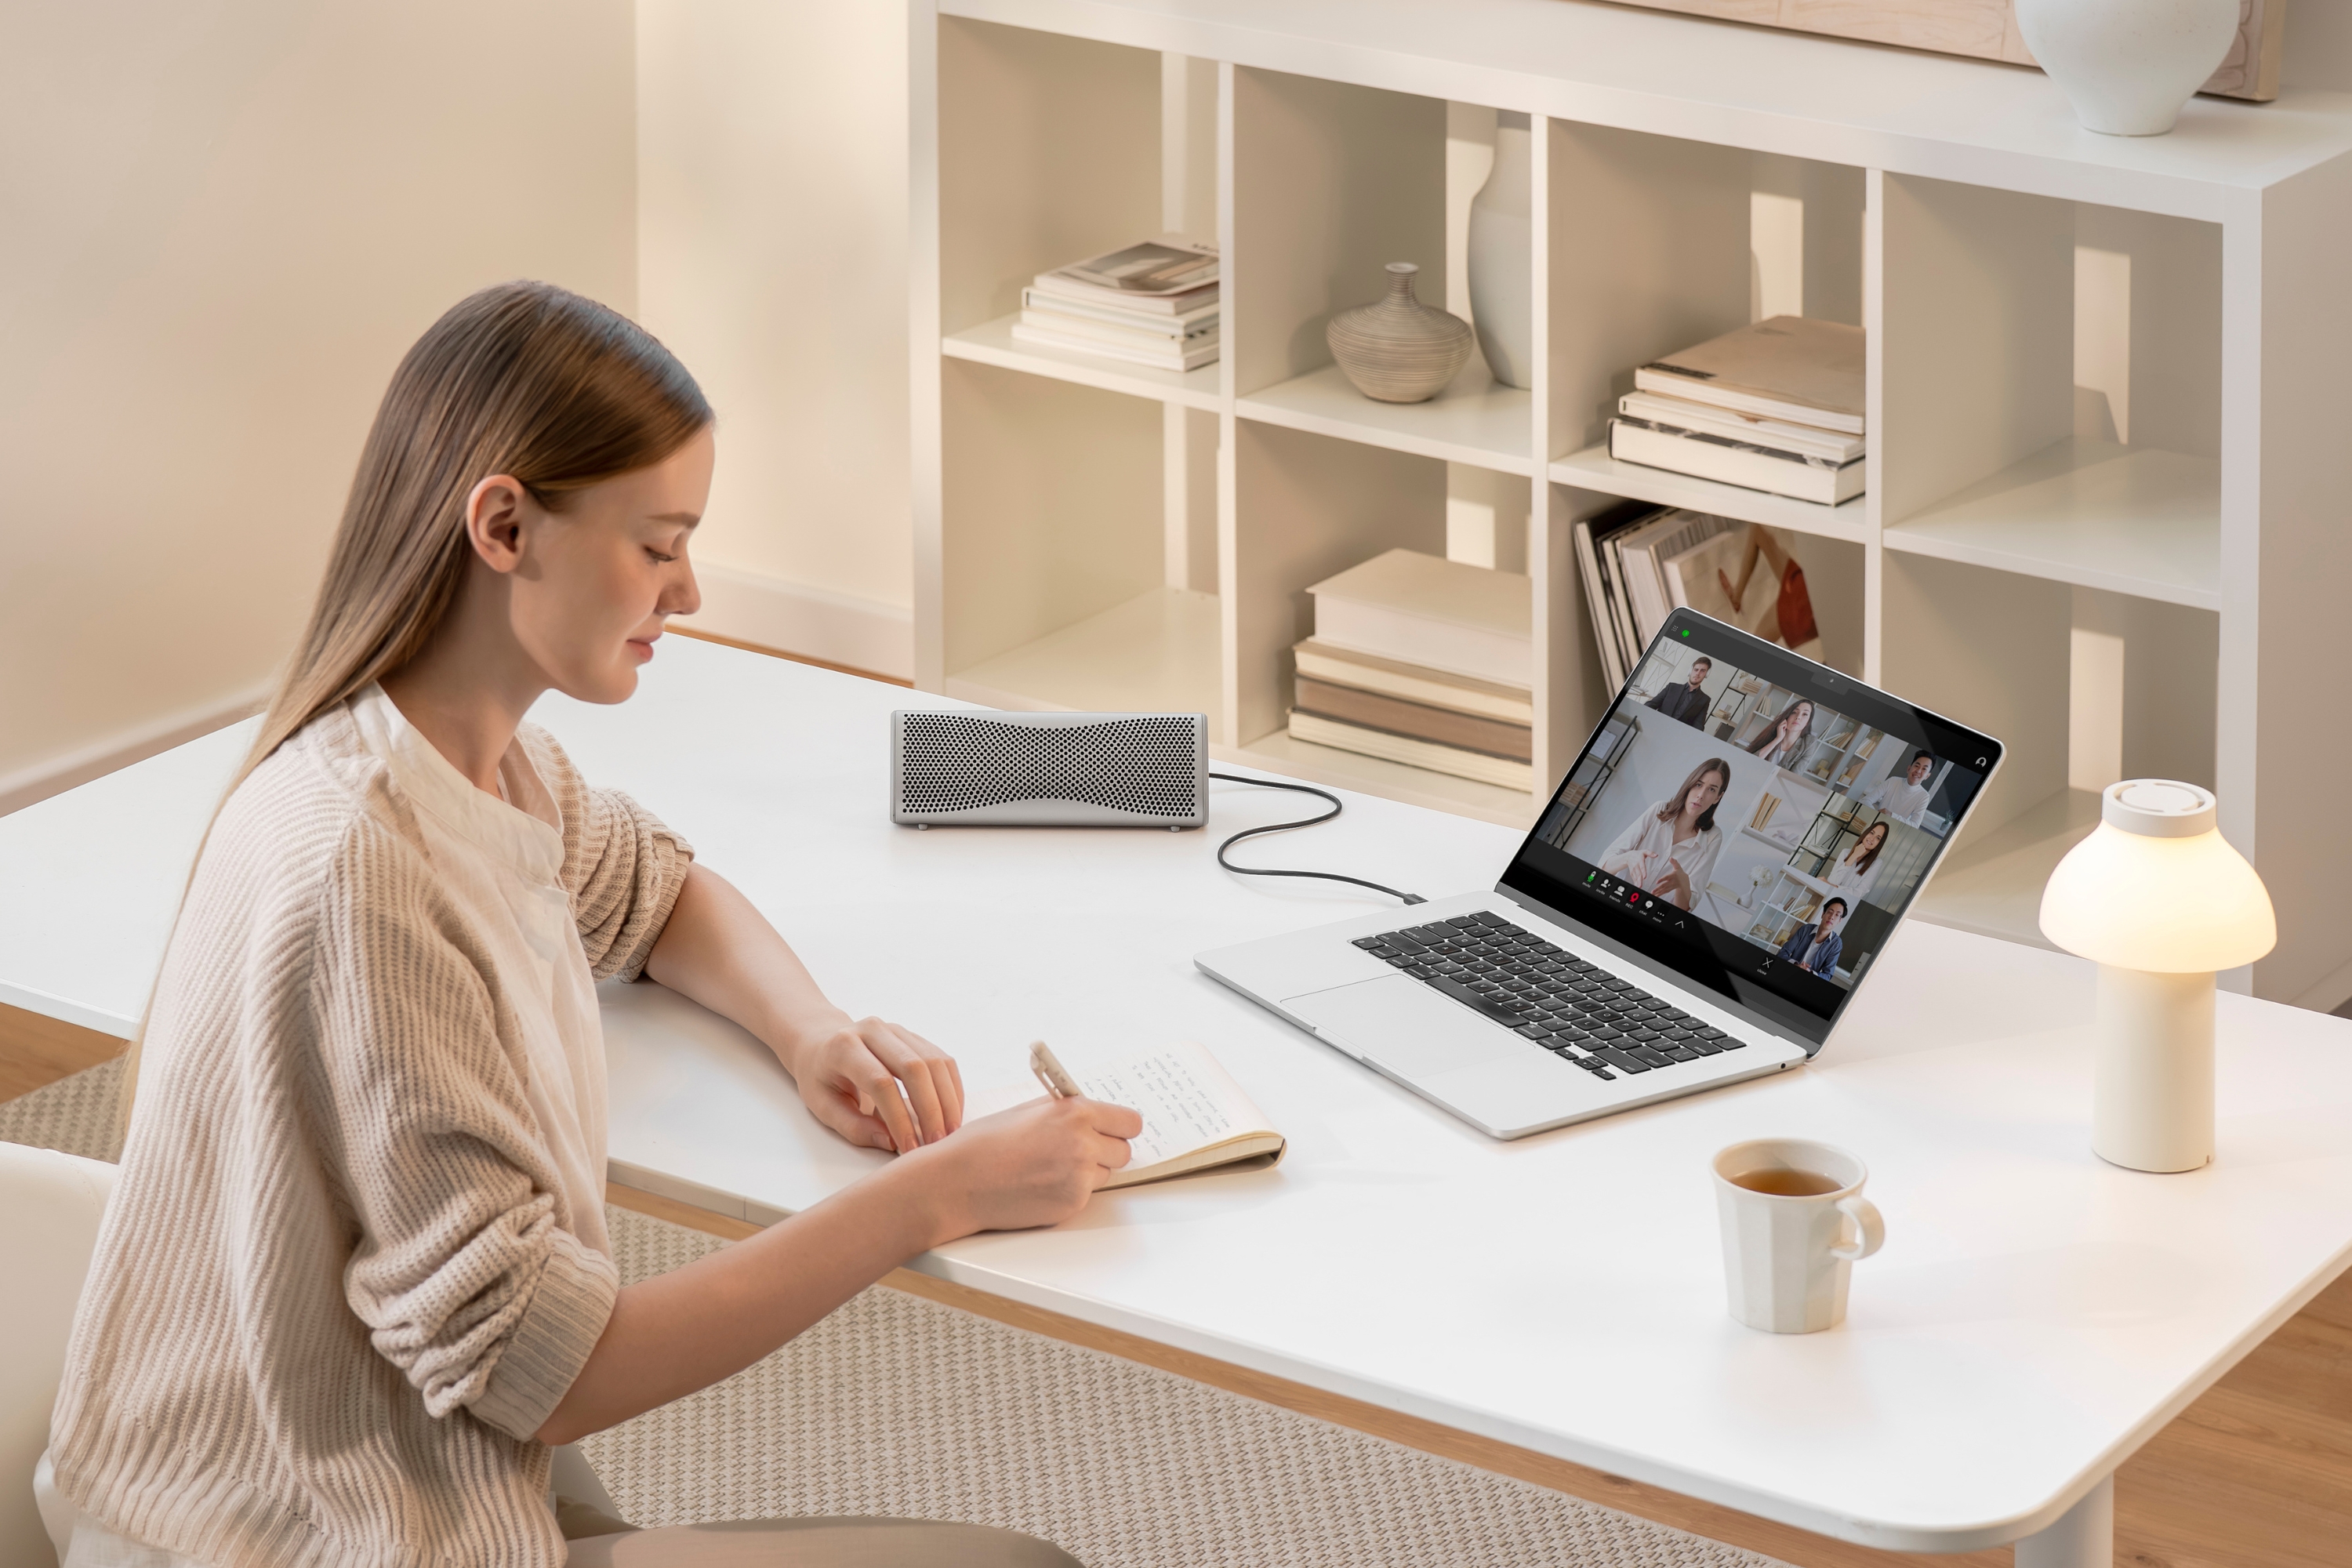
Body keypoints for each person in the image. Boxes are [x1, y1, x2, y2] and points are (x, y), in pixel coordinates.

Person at [38, 284, 1130, 1568]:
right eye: (660, 547)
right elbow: (550, 1375)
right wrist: (935, 1196)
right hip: (311, 1535)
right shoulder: (365, 874)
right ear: (505, 526)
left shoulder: (474, 765)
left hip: (387, 1482)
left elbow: (657, 894)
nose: (692, 591)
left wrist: (812, 1031)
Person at [1596, 757, 1731, 911]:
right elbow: (1604, 865)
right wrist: (1628, 857)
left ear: (1718, 797)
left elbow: (1686, 908)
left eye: (1712, 789)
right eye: (1698, 785)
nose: (1701, 795)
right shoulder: (1659, 810)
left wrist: (1682, 883)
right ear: (1690, 784)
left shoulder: (1713, 837)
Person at [1774, 897, 1848, 978]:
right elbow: (1783, 952)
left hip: (1808, 980)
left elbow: (1828, 975)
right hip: (1788, 972)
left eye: (1837, 915)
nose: (1832, 917)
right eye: (1830, 912)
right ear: (1823, 914)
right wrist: (1796, 965)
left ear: (1839, 921)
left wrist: (1810, 973)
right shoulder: (1805, 929)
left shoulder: (1836, 944)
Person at [1822, 819, 1889, 905]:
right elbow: (1833, 881)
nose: (1872, 839)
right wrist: (1854, 856)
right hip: (1827, 895)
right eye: (1872, 833)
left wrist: (1835, 887)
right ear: (1866, 833)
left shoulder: (1876, 863)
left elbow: (1860, 893)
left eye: (1878, 838)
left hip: (1847, 903)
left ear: (1880, 843)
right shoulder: (1845, 853)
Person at [1863, 750, 1936, 826]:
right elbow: (1865, 800)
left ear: (1927, 776)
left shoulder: (1924, 796)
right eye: (1917, 766)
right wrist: (1876, 815)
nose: (1918, 771)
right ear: (1909, 769)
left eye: (1924, 769)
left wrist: (1892, 815)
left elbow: (1915, 825)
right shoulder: (1893, 781)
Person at [1644, 655, 1711, 728]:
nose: (1698, 673)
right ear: (1691, 671)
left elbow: (1699, 725)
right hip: (1656, 726)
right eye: (1696, 670)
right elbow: (1652, 704)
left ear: (1706, 674)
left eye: (1702, 671)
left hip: (1677, 733)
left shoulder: (1705, 700)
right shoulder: (1671, 687)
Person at [1745, 698, 1814, 769]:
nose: (1798, 717)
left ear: (1808, 722)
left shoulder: (1808, 744)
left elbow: (1794, 774)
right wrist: (1778, 739)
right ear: (1788, 716)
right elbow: (1750, 762)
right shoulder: (1771, 733)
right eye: (1794, 712)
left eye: (1805, 714)